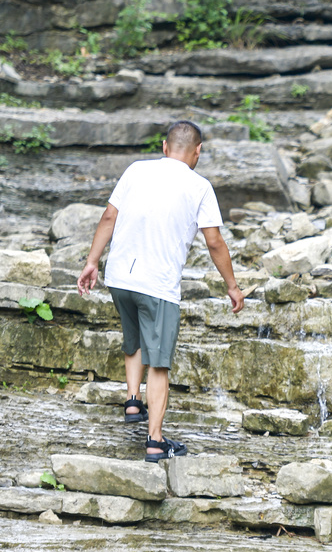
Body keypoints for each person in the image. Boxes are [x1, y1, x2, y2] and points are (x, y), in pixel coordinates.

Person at [77, 119, 244, 461]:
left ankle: (133, 401)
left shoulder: (136, 170)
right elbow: (214, 243)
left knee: (134, 338)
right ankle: (155, 440)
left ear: (165, 148)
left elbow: (109, 217)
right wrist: (232, 286)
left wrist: (92, 261)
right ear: (198, 152)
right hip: (158, 285)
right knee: (159, 363)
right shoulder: (199, 186)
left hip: (120, 276)